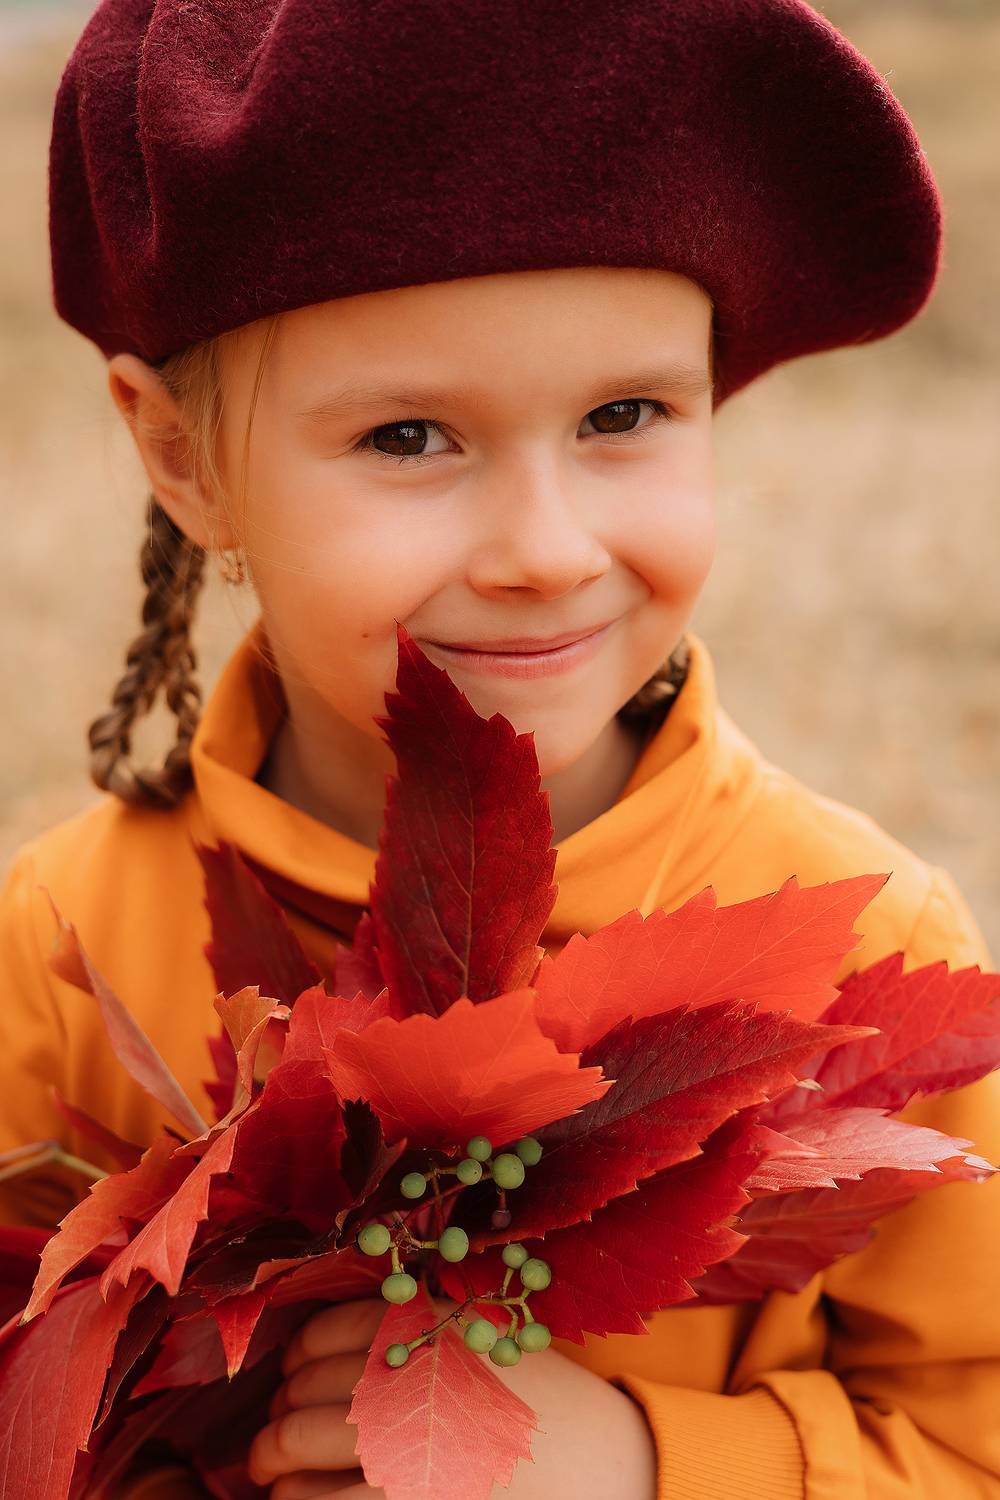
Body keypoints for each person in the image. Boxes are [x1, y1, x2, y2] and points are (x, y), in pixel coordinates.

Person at [2, 1, 998, 1496]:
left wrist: (647, 1466)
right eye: (409, 437)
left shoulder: (862, 949)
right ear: (181, 456)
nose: (544, 550)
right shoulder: (63, 949)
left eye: (624, 414)